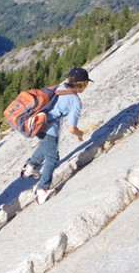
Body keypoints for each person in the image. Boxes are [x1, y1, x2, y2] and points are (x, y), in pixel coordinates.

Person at [21, 66, 92, 205]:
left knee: (46, 145)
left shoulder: (60, 87)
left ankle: (30, 167)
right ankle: (42, 190)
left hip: (36, 122)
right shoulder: (75, 100)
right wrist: (81, 133)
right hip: (49, 127)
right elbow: (71, 128)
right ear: (82, 83)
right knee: (52, 157)